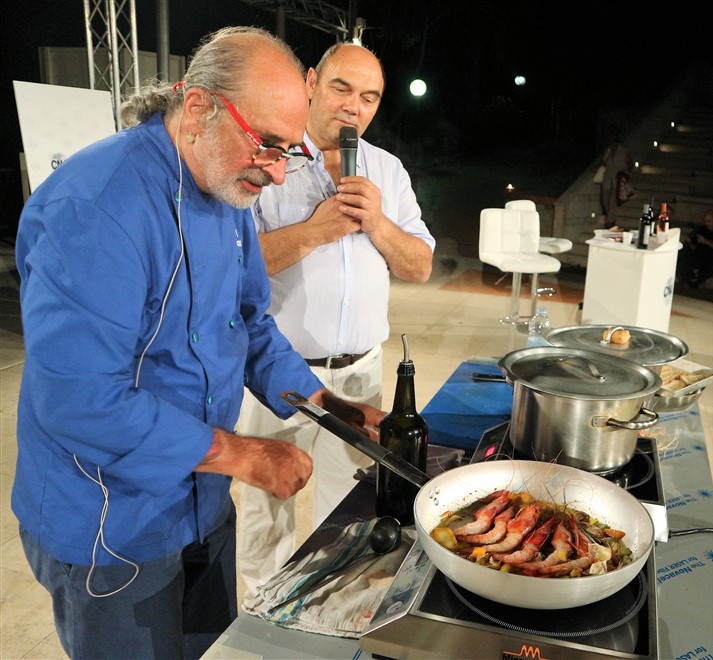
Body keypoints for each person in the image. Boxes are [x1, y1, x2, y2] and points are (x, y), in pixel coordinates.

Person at [12, 26, 384, 660]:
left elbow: (249, 324)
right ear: (197, 107)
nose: (276, 171)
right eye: (267, 144)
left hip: (201, 502)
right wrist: (241, 453)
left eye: (288, 151)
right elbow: (80, 401)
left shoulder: (226, 186)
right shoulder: (97, 209)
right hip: (111, 524)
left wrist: (326, 404)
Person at [235, 42, 435, 599]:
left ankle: (333, 611)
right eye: (342, 88)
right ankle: (263, 615)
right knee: (266, 510)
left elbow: (419, 265)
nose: (354, 106)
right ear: (311, 82)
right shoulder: (266, 158)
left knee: (350, 508)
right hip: (277, 376)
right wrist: (314, 231)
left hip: (359, 378)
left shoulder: (387, 170)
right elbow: (232, 264)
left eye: (369, 97)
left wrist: (378, 223)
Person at [677, 209, 713, 288]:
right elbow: (694, 245)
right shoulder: (702, 229)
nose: (707, 224)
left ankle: (697, 281)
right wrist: (690, 241)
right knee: (683, 253)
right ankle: (687, 280)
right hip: (698, 255)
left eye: (709, 221)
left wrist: (705, 241)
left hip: (711, 257)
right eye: (705, 221)